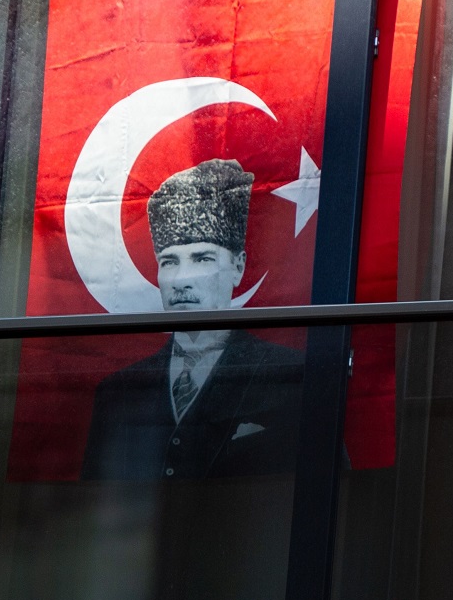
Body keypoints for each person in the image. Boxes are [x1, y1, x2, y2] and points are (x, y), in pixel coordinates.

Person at [82, 158, 301, 480]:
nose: (182, 279)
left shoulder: (290, 377)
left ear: (238, 267)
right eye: (170, 262)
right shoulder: (118, 391)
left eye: (202, 258)